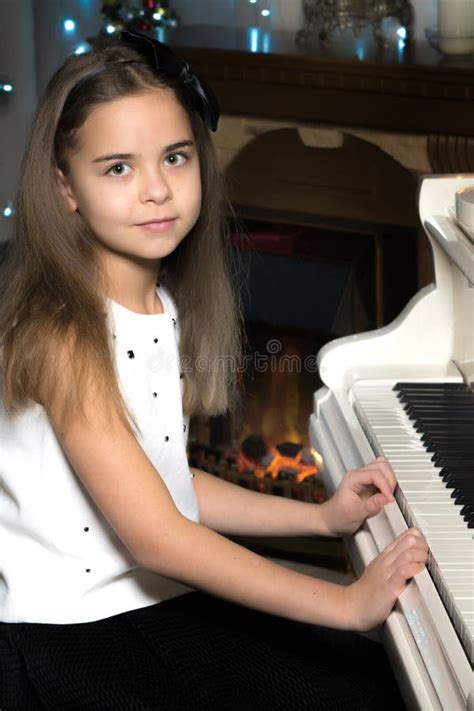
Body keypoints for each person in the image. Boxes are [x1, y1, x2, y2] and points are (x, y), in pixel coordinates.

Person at [0, 30, 428, 711]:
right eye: (117, 167)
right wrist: (344, 601)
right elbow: (158, 534)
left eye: (174, 157)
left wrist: (321, 519)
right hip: (72, 634)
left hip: (147, 595)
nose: (156, 190)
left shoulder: (159, 302)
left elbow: (169, 483)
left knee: (364, 676)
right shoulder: (63, 333)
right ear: (65, 187)